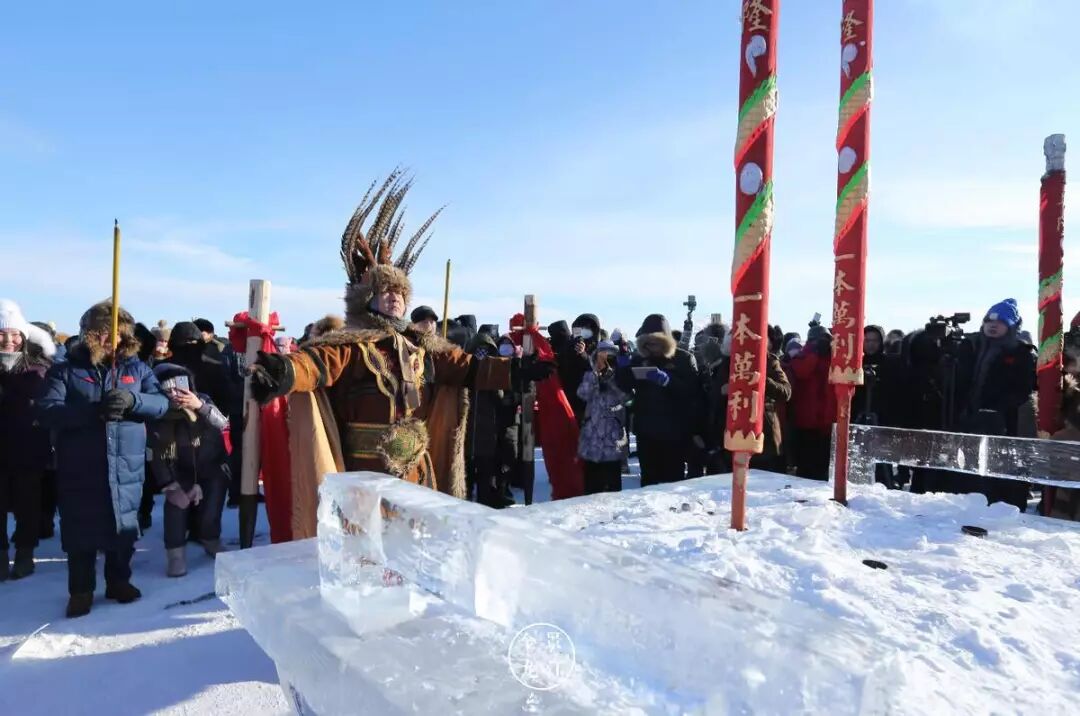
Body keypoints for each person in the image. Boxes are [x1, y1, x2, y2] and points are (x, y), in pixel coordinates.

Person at [248, 173, 552, 515]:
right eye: (386, 291)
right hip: (365, 470)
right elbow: (317, 364)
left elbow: (467, 367)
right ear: (368, 299)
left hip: (415, 468)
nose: (394, 298)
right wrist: (284, 371)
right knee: (367, 538)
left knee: (415, 534)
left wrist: (514, 370)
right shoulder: (352, 345)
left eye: (400, 293)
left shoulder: (421, 345)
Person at [38, 301, 169, 618]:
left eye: (118, 333)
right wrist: (93, 412)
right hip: (80, 466)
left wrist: (133, 400)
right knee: (80, 531)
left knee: (123, 529)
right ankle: (81, 590)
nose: (112, 340)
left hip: (127, 467)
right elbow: (47, 411)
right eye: (104, 333)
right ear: (89, 334)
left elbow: (161, 404)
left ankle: (118, 581)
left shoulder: (137, 369)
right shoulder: (65, 370)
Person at [149, 363, 230, 577]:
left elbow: (222, 423)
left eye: (180, 386)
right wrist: (168, 484)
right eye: (168, 388)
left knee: (212, 506)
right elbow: (155, 452)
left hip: (211, 466)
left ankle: (211, 539)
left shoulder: (202, 400)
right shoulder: (157, 413)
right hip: (179, 470)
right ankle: (175, 553)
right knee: (175, 506)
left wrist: (200, 406)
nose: (176, 393)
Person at [0, 300, 55, 580]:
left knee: (27, 503)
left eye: (14, 334)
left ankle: (25, 552)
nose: (8, 340)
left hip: (28, 446)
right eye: (2, 334)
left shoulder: (40, 367)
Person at [616, 314, 698, 487]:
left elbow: (693, 392)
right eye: (647, 344)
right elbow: (624, 385)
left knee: (672, 480)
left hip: (674, 431)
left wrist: (668, 381)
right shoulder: (639, 359)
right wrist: (623, 367)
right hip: (646, 430)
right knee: (649, 479)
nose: (651, 348)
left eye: (655, 343)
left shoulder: (683, 359)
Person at [464, 332, 518, 507]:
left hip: (489, 433)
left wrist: (498, 390)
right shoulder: (465, 368)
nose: (483, 354)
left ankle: (487, 503)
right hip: (468, 432)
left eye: (486, 351)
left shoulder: (498, 369)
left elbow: (504, 400)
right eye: (479, 350)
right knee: (467, 476)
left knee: (486, 476)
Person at [577, 340, 629, 494]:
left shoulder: (621, 375)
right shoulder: (591, 373)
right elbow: (582, 394)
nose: (606, 359)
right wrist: (594, 375)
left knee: (612, 483)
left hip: (613, 434)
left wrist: (610, 378)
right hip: (592, 433)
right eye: (602, 355)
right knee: (592, 483)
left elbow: (627, 397)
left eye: (610, 356)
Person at [788, 323, 836, 480]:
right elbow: (802, 372)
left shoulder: (833, 358)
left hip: (828, 422)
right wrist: (813, 352)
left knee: (825, 467)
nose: (823, 343)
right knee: (806, 467)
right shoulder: (802, 356)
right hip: (807, 422)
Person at [559, 313, 601, 424]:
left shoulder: (598, 349)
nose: (584, 330)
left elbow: (597, 370)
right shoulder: (568, 345)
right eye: (581, 327)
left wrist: (583, 355)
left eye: (587, 327)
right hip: (568, 398)